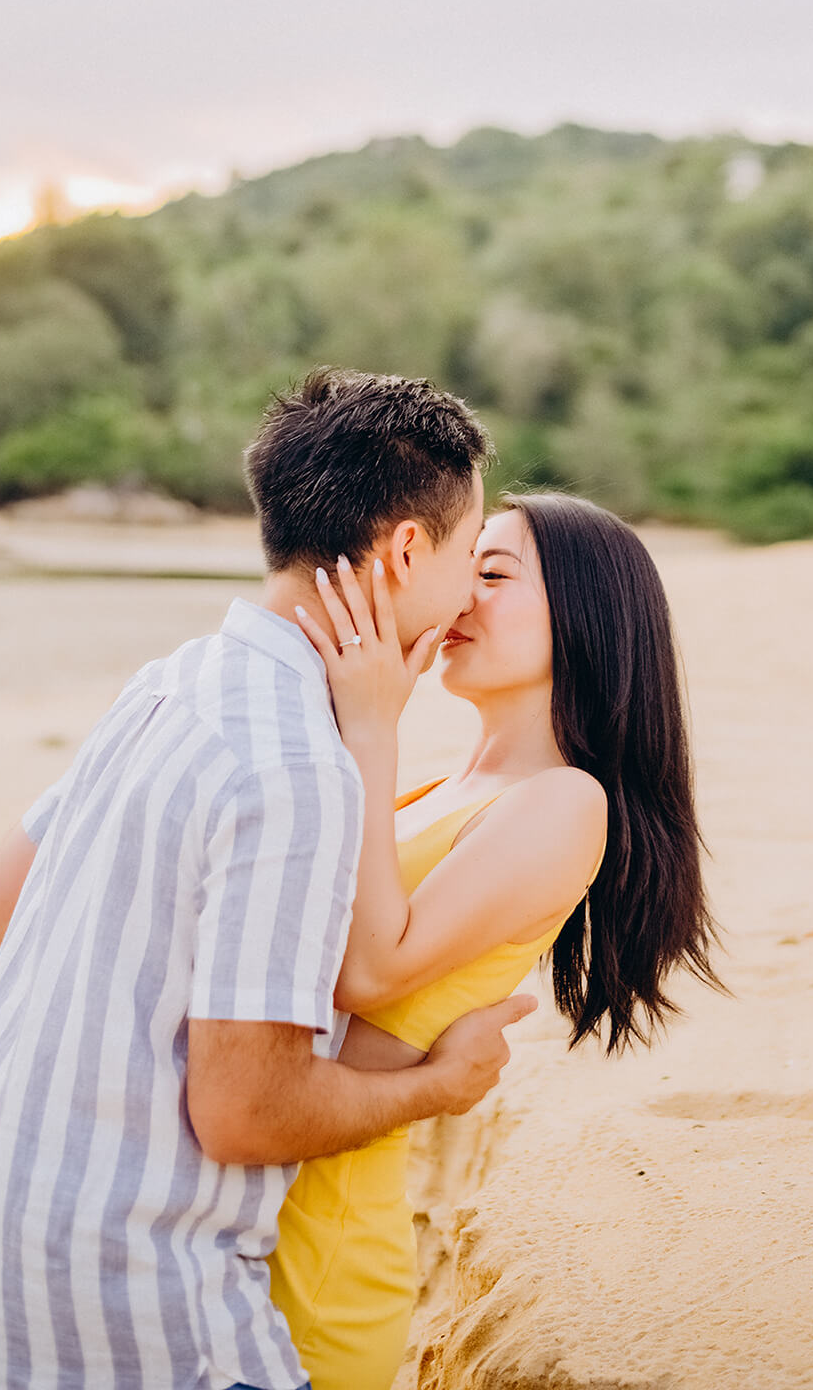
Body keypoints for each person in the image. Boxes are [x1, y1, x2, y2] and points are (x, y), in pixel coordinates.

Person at [0, 368, 530, 1390]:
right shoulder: (297, 765)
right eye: (465, 558)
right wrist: (434, 1085)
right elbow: (246, 1114)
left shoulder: (172, 680)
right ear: (408, 548)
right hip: (130, 1326)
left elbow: (0, 904)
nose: (460, 603)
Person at [267, 488, 723, 1390]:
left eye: (493, 574)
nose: (457, 597)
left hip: (321, 1243)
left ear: (586, 615)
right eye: (457, 569)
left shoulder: (564, 800)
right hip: (257, 1199)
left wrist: (370, 720)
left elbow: (368, 967)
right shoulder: (435, 790)